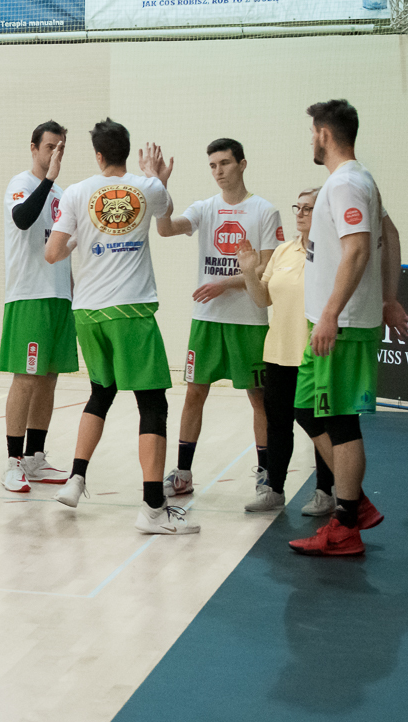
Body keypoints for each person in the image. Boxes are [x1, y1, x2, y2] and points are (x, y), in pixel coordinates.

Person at [44, 119, 198, 535]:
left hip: (87, 312)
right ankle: (153, 509)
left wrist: (82, 237)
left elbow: (52, 254)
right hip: (129, 311)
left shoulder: (76, 192)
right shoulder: (149, 188)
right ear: (127, 151)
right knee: (153, 405)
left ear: (98, 155)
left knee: (101, 392)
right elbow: (165, 225)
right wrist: (159, 179)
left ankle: (76, 479)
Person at [287, 99, 408, 556]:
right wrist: (389, 298)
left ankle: (344, 525)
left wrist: (331, 314)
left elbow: (359, 248)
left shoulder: (345, 183)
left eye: (313, 133)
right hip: (332, 320)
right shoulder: (359, 181)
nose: (311, 140)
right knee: (305, 410)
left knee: (340, 420)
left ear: (324, 134)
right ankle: (353, 501)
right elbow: (390, 235)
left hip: (340, 324)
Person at [155, 139, 283, 500]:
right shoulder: (205, 208)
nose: (218, 171)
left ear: (242, 164)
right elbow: (165, 228)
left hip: (249, 320)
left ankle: (266, 474)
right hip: (207, 319)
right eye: (213, 165)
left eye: (224, 163)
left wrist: (224, 283)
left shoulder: (265, 211)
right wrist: (161, 187)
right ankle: (182, 474)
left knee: (258, 398)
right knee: (194, 393)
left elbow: (266, 269)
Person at [236, 188, 337, 515]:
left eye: (308, 208)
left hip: (314, 353)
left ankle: (326, 492)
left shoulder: (333, 252)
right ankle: (274, 490)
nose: (300, 213)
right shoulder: (283, 251)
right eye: (298, 207)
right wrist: (249, 271)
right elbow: (262, 299)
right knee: (278, 424)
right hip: (278, 352)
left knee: (318, 425)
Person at [0, 120, 77, 493]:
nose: (55, 153)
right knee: (27, 378)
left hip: (59, 296)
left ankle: (35, 457)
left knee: (49, 378)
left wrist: (73, 290)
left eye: (61, 148)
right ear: (34, 148)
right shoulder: (22, 184)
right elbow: (22, 219)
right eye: (50, 147)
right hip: (28, 294)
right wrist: (48, 179)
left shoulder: (61, 193)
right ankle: (12, 462)